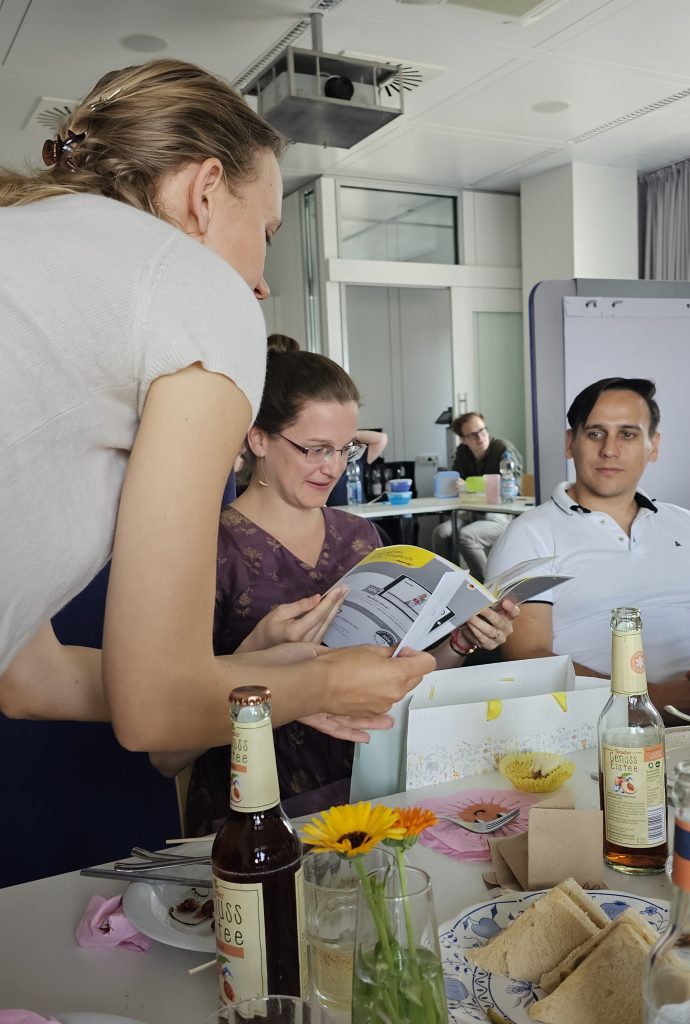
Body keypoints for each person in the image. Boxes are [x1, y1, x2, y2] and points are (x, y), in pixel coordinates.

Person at [0, 58, 435, 753]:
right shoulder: (195, 283)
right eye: (266, 233)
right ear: (204, 193)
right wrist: (328, 683)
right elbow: (158, 712)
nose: (261, 287)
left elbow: (33, 681)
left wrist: (260, 674)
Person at [167, 349, 519, 831]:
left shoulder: (360, 537)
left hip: (374, 792)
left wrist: (460, 641)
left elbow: (397, 683)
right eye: (314, 449)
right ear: (259, 438)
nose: (332, 468)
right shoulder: (206, 548)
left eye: (344, 449)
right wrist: (254, 657)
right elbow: (167, 751)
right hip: (260, 813)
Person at [487, 377, 690, 721]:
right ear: (570, 443)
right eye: (595, 433)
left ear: (653, 446)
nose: (609, 450)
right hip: (602, 729)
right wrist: (656, 701)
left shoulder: (688, 525)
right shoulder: (529, 534)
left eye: (627, 434)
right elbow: (529, 658)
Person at [431, 412, 524, 581]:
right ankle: (447, 583)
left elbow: (511, 487)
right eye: (472, 435)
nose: (480, 437)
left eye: (482, 430)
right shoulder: (463, 452)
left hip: (500, 513)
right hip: (471, 511)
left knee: (466, 536)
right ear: (463, 439)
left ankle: (487, 588)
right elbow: (455, 483)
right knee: (441, 533)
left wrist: (468, 485)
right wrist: (463, 485)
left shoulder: (503, 449)